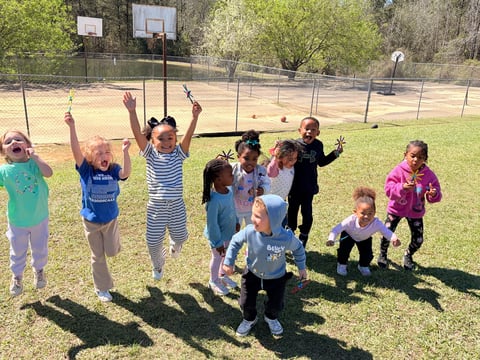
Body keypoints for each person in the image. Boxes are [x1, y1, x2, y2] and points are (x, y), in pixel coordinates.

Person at [123, 91, 202, 280]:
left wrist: (194, 117)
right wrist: (132, 112)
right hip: (156, 207)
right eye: (161, 139)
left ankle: (176, 243)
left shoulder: (179, 154)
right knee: (153, 241)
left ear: (175, 139)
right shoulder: (150, 153)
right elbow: (136, 133)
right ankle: (158, 265)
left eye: (170, 139)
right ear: (152, 140)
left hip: (176, 205)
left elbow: (189, 137)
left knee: (182, 236)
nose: (166, 142)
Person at [64, 112, 131, 302]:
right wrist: (72, 127)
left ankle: (113, 246)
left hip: (110, 220)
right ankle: (102, 288)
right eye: (99, 153)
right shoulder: (86, 171)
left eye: (106, 152)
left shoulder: (113, 169)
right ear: (90, 158)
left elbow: (126, 173)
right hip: (91, 221)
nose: (104, 156)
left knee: (111, 251)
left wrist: (125, 152)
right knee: (98, 255)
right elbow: (76, 151)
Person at [223, 194, 307, 337]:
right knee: (245, 303)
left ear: (274, 220)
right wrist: (228, 262)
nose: (252, 219)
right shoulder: (250, 231)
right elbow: (236, 241)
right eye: (253, 214)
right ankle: (249, 319)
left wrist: (302, 267)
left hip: (276, 278)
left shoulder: (285, 237)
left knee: (276, 305)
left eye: (257, 216)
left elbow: (298, 248)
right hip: (252, 274)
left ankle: (270, 317)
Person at [0, 130, 53, 297]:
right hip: (17, 221)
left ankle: (39, 271)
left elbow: (48, 172)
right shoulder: (4, 170)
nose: (14, 143)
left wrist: (35, 157)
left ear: (28, 145)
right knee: (17, 250)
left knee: (40, 248)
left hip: (39, 217)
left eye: (18, 139)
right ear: (3, 151)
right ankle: (17, 276)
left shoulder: (34, 164)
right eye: (8, 142)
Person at [377, 140, 442, 270]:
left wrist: (433, 193)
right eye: (412, 156)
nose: (415, 160)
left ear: (425, 159)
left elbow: (435, 194)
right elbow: (388, 190)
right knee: (386, 233)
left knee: (418, 240)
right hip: (396, 209)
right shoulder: (398, 170)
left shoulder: (428, 175)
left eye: (421, 157)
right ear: (405, 154)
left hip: (415, 211)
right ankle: (383, 254)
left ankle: (408, 254)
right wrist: (402, 187)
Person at [287, 117, 343, 248]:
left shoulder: (318, 145)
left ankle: (304, 235)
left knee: (307, 213)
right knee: (292, 211)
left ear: (318, 132)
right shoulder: (294, 145)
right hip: (294, 187)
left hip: (309, 187)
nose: (309, 132)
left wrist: (335, 153)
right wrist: (279, 148)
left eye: (313, 130)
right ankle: (289, 234)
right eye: (306, 129)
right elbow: (285, 162)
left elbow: (321, 162)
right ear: (299, 130)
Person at [326, 186, 401, 276]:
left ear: (375, 212)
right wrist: (331, 239)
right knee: (343, 251)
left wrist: (394, 238)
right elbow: (336, 229)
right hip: (348, 236)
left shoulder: (376, 223)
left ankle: (363, 266)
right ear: (355, 212)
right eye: (363, 213)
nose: (366, 217)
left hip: (365, 238)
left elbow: (385, 231)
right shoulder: (350, 220)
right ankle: (342, 264)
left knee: (367, 254)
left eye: (370, 213)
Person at [202, 157, 239, 296]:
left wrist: (236, 221)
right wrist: (217, 242)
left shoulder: (228, 191)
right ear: (218, 179)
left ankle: (222, 275)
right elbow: (212, 223)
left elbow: (232, 207)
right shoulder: (214, 199)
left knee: (226, 255)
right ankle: (214, 280)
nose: (233, 176)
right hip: (217, 237)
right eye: (230, 175)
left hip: (228, 233)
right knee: (217, 257)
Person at [231, 130, 270, 228]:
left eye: (254, 159)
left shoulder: (261, 171)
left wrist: (263, 189)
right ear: (238, 157)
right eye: (246, 158)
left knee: (253, 231)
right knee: (233, 231)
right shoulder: (232, 169)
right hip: (235, 209)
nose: (250, 162)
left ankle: (252, 244)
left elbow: (267, 183)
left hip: (252, 209)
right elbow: (221, 173)